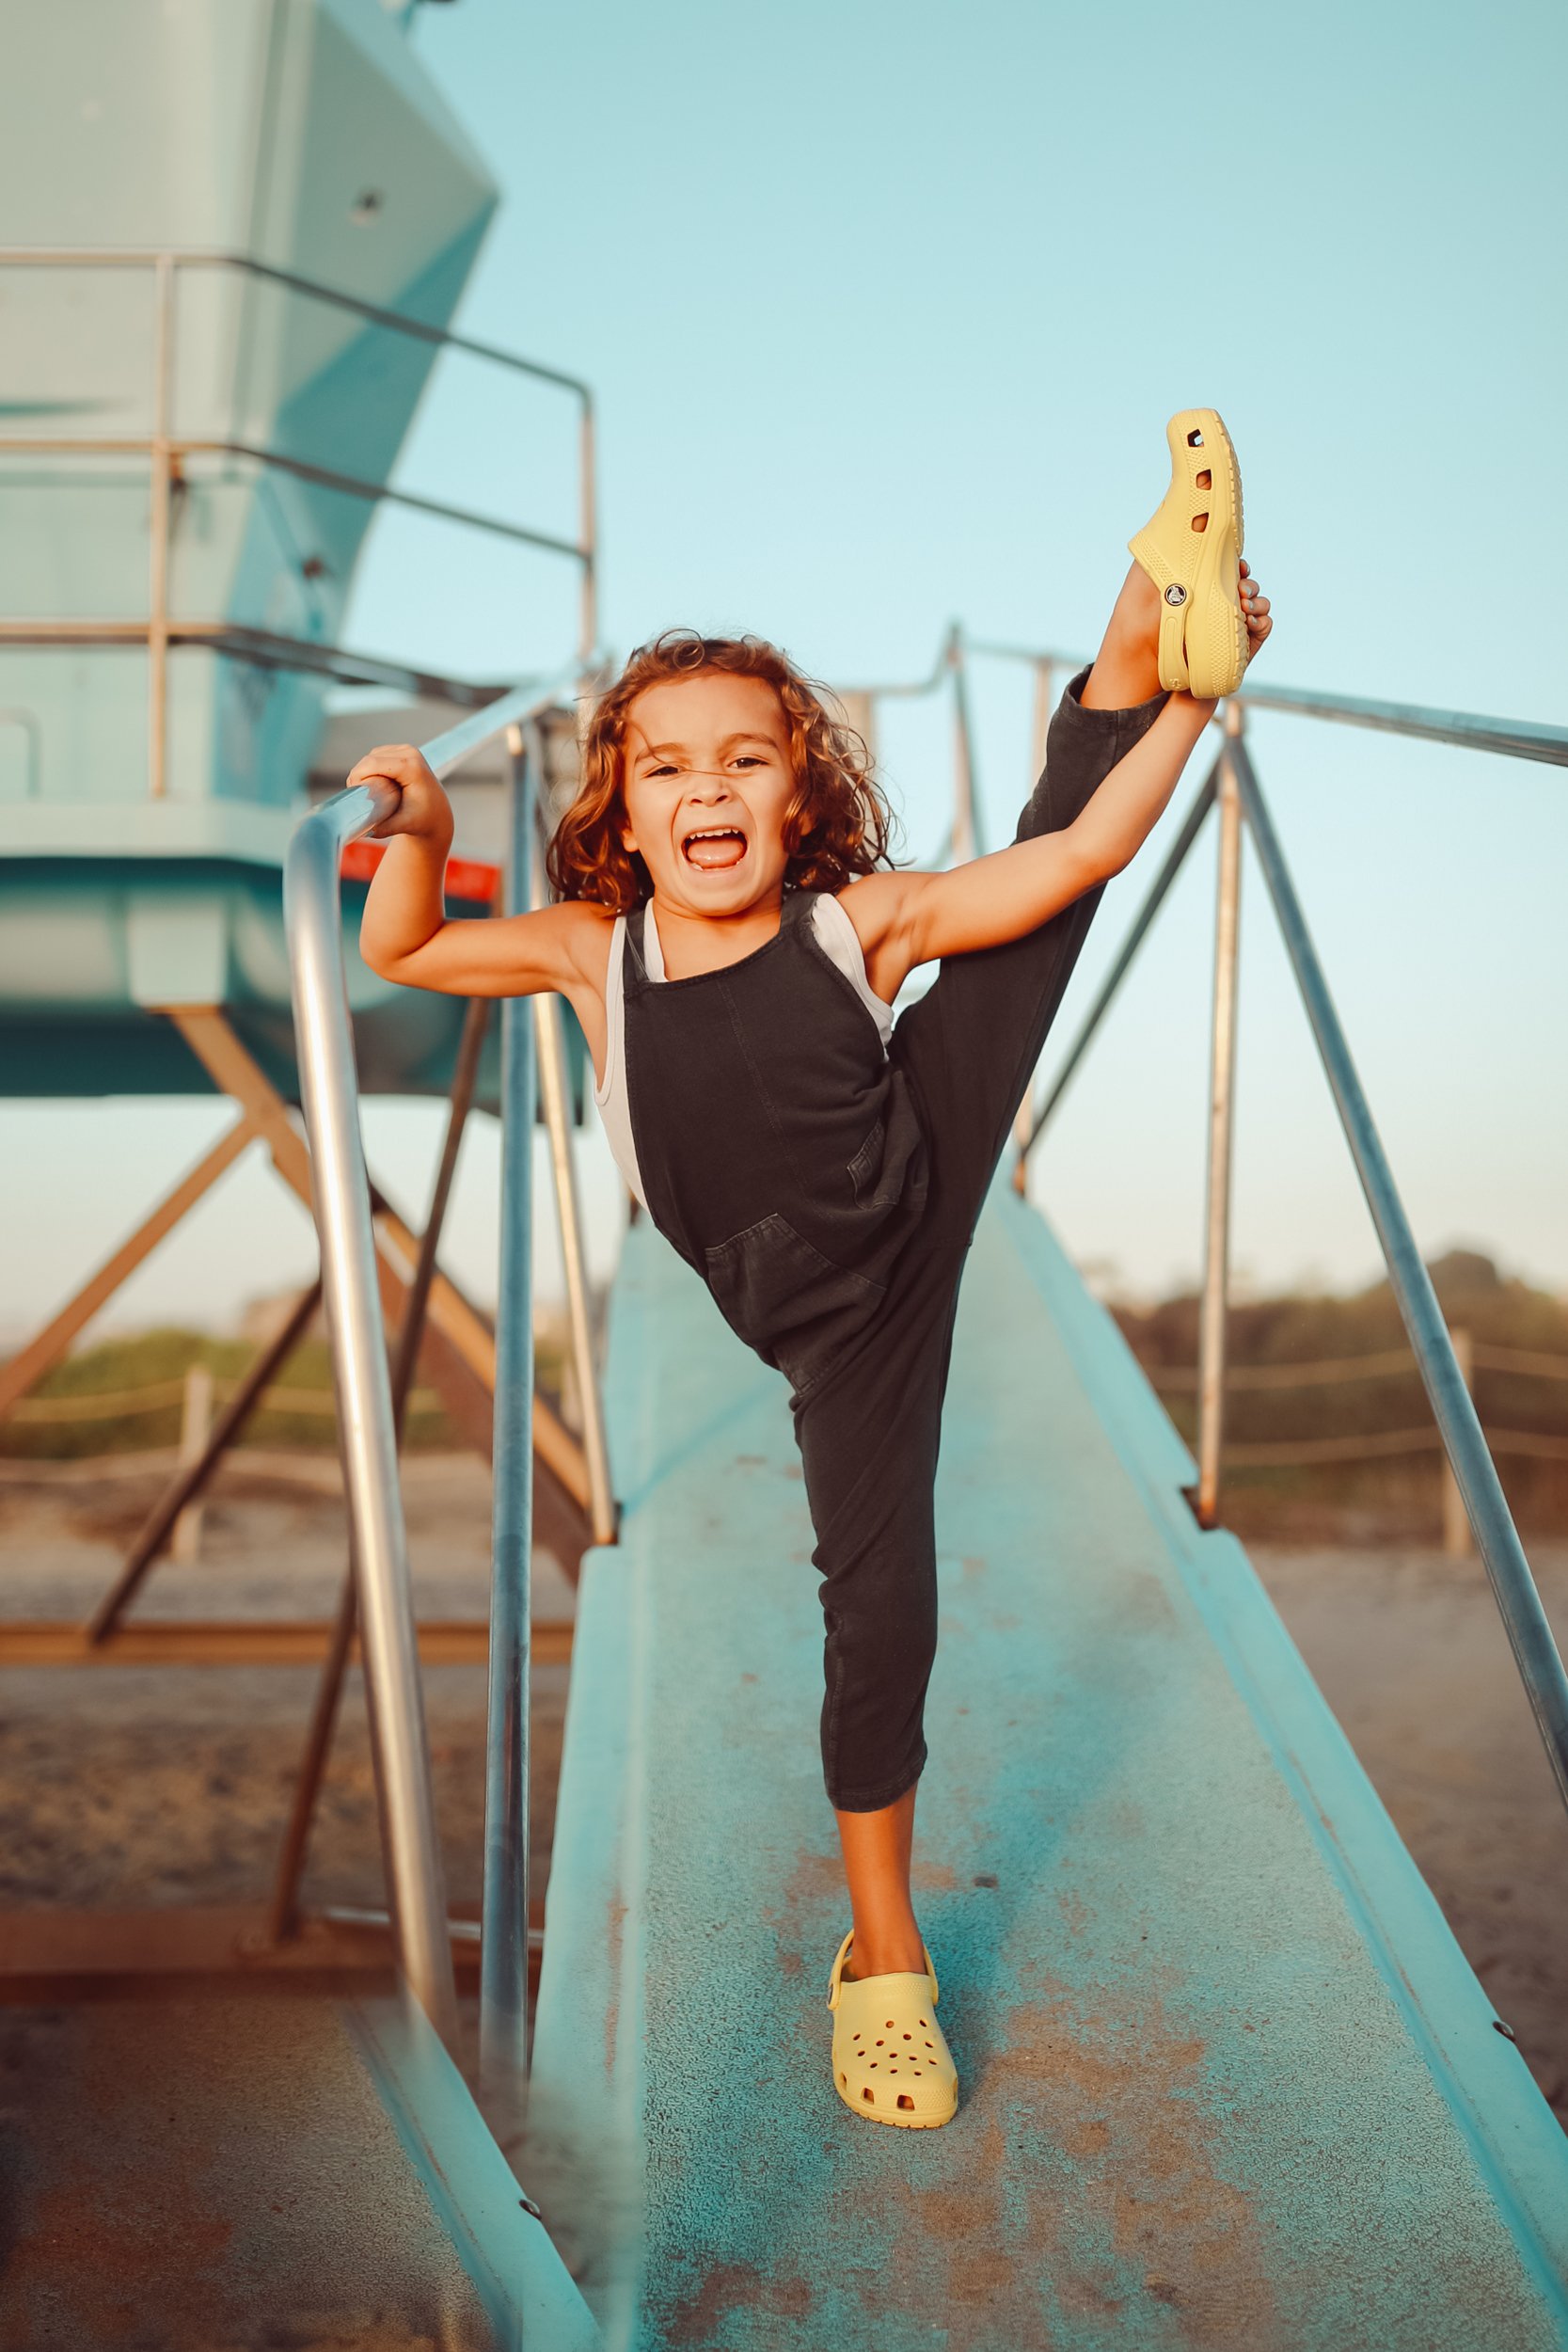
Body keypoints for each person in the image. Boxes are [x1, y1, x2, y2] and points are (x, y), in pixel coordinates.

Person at [352, 408, 1273, 2131]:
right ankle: (1136, 631)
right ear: (621, 805)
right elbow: (399, 942)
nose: (708, 788)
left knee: (1037, 926)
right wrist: (411, 813)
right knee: (874, 1614)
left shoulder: (855, 922)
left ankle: (885, 1955)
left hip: (899, 1235)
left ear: (804, 788)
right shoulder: (586, 953)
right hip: (816, 1318)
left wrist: (1205, 715)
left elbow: (1077, 856)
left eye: (747, 758)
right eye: (667, 764)